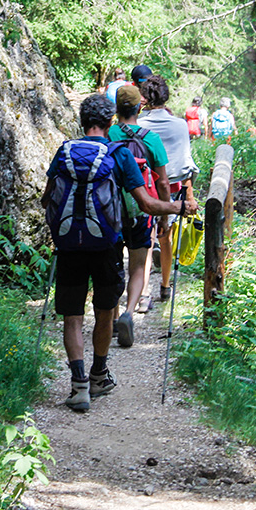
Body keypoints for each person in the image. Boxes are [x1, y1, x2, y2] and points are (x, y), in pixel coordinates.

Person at [42, 94, 187, 411]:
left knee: (72, 317)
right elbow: (147, 204)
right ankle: (98, 376)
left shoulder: (65, 150)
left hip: (68, 244)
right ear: (110, 123)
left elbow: (46, 200)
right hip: (107, 244)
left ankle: (78, 385)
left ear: (82, 122)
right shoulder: (118, 154)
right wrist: (180, 206)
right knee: (105, 311)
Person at [108, 84, 171, 347]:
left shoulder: (108, 133)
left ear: (116, 109)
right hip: (139, 211)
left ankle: (111, 315)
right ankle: (128, 312)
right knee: (136, 264)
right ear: (139, 107)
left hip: (110, 211)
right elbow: (164, 183)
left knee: (111, 265)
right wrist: (164, 214)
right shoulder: (151, 138)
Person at [138, 76, 199, 302]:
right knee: (166, 239)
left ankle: (143, 294)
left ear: (144, 98)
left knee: (147, 239)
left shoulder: (139, 124)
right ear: (166, 97)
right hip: (172, 190)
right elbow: (186, 165)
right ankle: (164, 286)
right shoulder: (180, 125)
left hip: (142, 188)